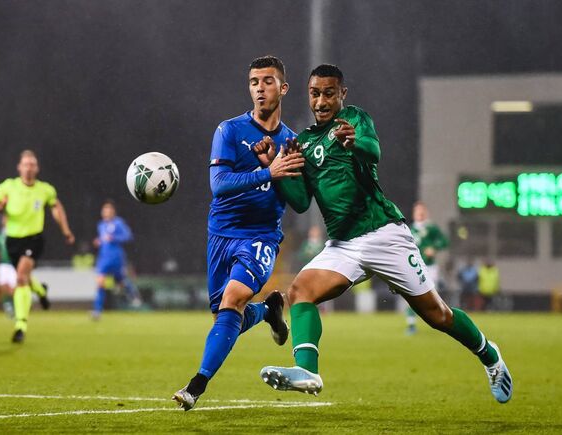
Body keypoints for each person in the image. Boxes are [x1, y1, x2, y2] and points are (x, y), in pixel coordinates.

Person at [256, 64, 512, 404]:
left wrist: (354, 143)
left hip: (384, 235)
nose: (321, 101)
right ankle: (307, 370)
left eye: (329, 93)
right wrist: (275, 168)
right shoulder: (301, 143)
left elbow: (373, 151)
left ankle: (489, 355)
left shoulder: (356, 120)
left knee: (438, 315)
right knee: (300, 290)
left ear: (342, 94)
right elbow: (301, 203)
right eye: (315, 93)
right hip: (343, 245)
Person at [172, 55, 305, 411]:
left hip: (261, 235)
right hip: (221, 233)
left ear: (283, 88)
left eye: (267, 81)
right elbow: (219, 185)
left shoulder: (292, 142)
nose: (260, 89)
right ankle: (268, 312)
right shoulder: (228, 131)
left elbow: (295, 198)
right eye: (254, 83)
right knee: (226, 315)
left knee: (232, 300)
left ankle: (196, 385)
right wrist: (267, 171)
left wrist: (277, 169)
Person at [0, 150, 75, 343]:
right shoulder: (8, 187)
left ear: (37, 168)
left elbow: (56, 208)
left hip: (34, 239)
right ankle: (41, 291)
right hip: (12, 240)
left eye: (32, 164)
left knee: (21, 277)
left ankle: (20, 325)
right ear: (19, 167)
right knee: (24, 277)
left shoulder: (45, 190)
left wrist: (65, 230)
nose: (29, 167)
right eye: (25, 164)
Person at [405, 202, 449, 334]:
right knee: (411, 294)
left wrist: (434, 248)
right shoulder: (409, 229)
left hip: (430, 267)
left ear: (426, 213)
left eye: (422, 211)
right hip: (414, 266)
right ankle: (411, 324)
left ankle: (441, 320)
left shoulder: (431, 228)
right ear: (414, 214)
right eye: (418, 211)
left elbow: (444, 241)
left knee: (431, 296)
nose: (420, 214)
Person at [92, 200, 133, 320]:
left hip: (116, 257)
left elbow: (128, 236)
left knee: (121, 281)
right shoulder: (101, 225)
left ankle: (132, 295)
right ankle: (97, 311)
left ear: (113, 212)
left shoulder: (119, 223)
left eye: (108, 210)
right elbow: (103, 239)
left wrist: (114, 238)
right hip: (104, 258)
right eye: (104, 210)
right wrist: (99, 241)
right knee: (100, 282)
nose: (105, 212)